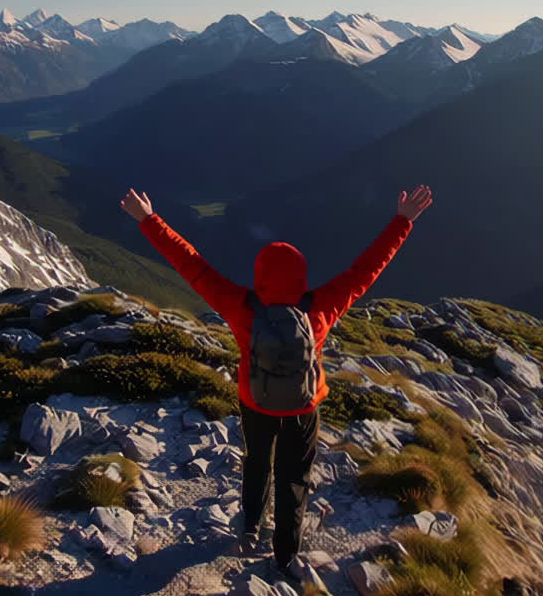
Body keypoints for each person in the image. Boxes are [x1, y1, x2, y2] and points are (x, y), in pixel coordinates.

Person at [120, 185, 433, 576]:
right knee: (294, 477)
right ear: (301, 277)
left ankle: (250, 528)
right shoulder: (320, 307)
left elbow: (191, 263)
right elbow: (367, 268)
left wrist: (149, 221)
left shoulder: (240, 307)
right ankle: (285, 553)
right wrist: (403, 221)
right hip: (304, 407)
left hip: (256, 403)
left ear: (260, 275)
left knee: (256, 463)